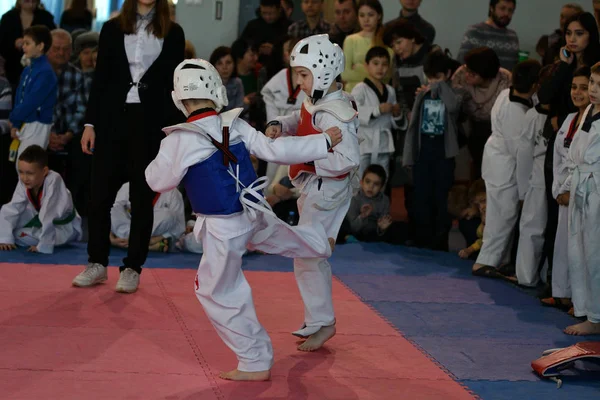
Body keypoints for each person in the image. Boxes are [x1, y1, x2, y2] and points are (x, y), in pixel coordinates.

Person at [145, 58, 340, 381]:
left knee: (215, 291)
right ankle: (320, 241)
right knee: (280, 236)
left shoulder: (178, 140)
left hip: (223, 227)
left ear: (179, 98)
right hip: (255, 211)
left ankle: (254, 361)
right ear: (215, 90)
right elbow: (276, 151)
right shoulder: (234, 123)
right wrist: (323, 141)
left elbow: (156, 182)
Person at [71, 0, 185, 294]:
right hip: (111, 121)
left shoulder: (173, 32)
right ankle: (96, 263)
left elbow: (176, 84)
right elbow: (102, 80)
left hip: (149, 125)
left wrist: (174, 131)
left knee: (141, 198)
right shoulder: (111, 29)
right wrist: (90, 124)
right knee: (99, 198)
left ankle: (132, 267)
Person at [266, 34, 360, 352]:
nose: (299, 81)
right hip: (316, 188)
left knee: (307, 254)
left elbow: (349, 159)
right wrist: (281, 124)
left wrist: (305, 157)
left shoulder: (336, 113)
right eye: (298, 74)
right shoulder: (318, 102)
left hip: (327, 191)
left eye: (304, 75)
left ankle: (323, 322)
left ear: (322, 72)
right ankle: (319, 320)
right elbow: (301, 117)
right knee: (307, 255)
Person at [472, 60, 542, 278]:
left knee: (500, 213)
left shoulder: (505, 94)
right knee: (503, 214)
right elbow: (519, 154)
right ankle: (486, 261)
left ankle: (498, 260)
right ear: (535, 86)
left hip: (495, 159)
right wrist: (523, 191)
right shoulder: (518, 112)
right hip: (505, 165)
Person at [541, 66, 590, 310]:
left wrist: (569, 189)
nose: (578, 92)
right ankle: (561, 292)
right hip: (562, 189)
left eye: (584, 87)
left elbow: (581, 162)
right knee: (561, 244)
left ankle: (580, 300)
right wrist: (557, 189)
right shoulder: (570, 118)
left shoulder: (593, 121)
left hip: (582, 190)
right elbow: (559, 156)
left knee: (580, 247)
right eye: (574, 87)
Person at [403, 50, 461, 251]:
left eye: (438, 77)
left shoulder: (453, 92)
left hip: (443, 153)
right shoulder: (423, 92)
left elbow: (453, 107)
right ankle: (422, 237)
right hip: (423, 151)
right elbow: (412, 125)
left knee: (441, 196)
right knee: (421, 196)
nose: (433, 81)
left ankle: (440, 239)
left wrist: (440, 86)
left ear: (446, 74)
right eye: (431, 77)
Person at [562, 62, 600, 336]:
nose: (594, 90)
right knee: (578, 253)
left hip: (596, 188)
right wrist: (566, 185)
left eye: (599, 86)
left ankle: (596, 317)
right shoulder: (588, 110)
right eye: (593, 84)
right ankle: (585, 308)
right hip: (580, 184)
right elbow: (574, 153)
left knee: (595, 255)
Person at [514, 65, 554, 286]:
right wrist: (523, 188)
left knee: (551, 230)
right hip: (537, 176)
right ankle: (526, 276)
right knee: (533, 227)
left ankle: (546, 276)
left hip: (557, 177)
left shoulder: (564, 117)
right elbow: (524, 155)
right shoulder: (532, 115)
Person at [0, 145, 82, 253]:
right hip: (40, 222)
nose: (24, 178)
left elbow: (49, 214)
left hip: (64, 228)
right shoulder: (25, 181)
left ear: (44, 171)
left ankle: (45, 241)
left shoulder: (54, 180)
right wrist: (5, 239)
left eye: (30, 173)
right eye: (21, 172)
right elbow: (13, 207)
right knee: (11, 231)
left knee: (19, 235)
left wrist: (43, 246)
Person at [351, 46, 405, 179]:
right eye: (375, 63)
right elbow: (352, 112)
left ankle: (380, 200)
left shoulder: (390, 90)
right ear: (366, 65)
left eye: (385, 64)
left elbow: (393, 122)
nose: (380, 68)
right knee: (360, 179)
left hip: (384, 142)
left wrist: (397, 115)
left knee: (382, 179)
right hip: (364, 142)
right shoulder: (360, 89)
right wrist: (377, 110)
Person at [8, 25, 57, 162]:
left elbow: (32, 101)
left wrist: (13, 118)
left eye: (28, 43)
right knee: (21, 166)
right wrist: (16, 123)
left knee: (30, 168)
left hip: (38, 123)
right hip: (25, 121)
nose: (23, 46)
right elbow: (19, 97)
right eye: (23, 43)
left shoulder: (45, 73)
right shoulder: (28, 69)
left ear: (40, 46)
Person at [340, 164, 407, 244]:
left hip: (373, 233)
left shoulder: (384, 200)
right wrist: (362, 216)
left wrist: (382, 228)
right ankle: (349, 238)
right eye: (367, 182)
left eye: (376, 184)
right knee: (340, 223)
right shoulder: (354, 198)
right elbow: (353, 227)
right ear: (361, 182)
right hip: (355, 231)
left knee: (400, 227)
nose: (371, 186)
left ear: (382, 187)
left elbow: (382, 226)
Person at [110, 182, 185, 253]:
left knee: (168, 215)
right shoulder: (127, 187)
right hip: (126, 231)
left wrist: (153, 240)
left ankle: (138, 243)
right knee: (112, 207)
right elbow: (111, 214)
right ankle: (145, 245)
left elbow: (179, 227)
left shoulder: (172, 192)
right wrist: (112, 239)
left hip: (153, 235)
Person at [0, 0, 56, 91]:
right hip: (13, 68)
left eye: (34, 1)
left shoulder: (46, 17)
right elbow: (2, 45)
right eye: (27, 1)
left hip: (38, 67)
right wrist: (14, 43)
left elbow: (51, 41)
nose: (30, 4)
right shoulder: (8, 18)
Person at [341, 0, 391, 92]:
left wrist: (359, 68)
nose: (366, 20)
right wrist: (374, 74)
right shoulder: (350, 40)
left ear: (379, 16)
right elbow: (345, 74)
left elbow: (387, 77)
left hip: (377, 94)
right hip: (353, 94)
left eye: (370, 15)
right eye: (362, 15)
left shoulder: (385, 41)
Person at [209, 46, 245, 112]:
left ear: (234, 64)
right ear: (213, 66)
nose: (224, 67)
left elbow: (239, 110)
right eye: (220, 63)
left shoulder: (237, 83)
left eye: (228, 62)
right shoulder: (209, 84)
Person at [458, 179, 486, 260]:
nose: (482, 207)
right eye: (478, 204)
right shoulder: (483, 218)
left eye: (484, 201)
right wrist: (469, 250)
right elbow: (483, 241)